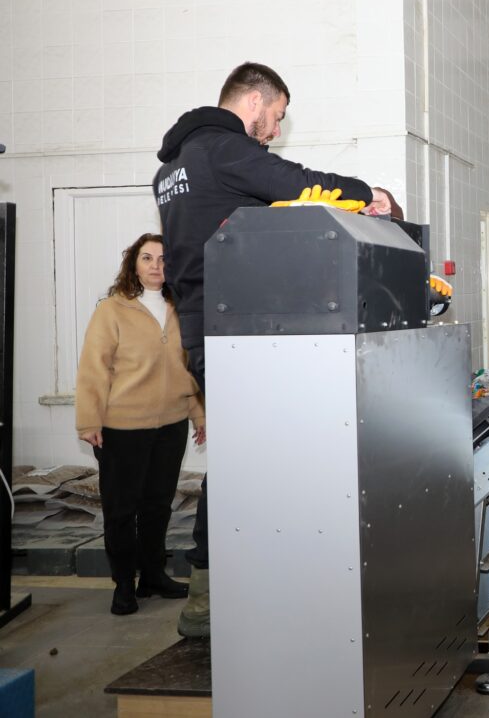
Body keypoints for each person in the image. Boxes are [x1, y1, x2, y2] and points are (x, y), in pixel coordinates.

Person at [153, 62, 401, 637]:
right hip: (236, 326)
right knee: (254, 460)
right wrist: (370, 195)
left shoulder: (171, 168)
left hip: (205, 322)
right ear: (255, 101)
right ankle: (219, 593)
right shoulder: (221, 148)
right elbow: (299, 184)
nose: (275, 130)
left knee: (246, 456)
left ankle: (225, 588)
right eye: (277, 116)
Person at [76, 234, 205, 616]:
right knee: (121, 511)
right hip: (122, 428)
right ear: (133, 264)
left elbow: (187, 368)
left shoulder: (180, 308)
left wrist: (198, 414)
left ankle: (153, 576)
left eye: (163, 259)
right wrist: (89, 420)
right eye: (147, 258)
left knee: (157, 507)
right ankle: (123, 585)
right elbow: (94, 369)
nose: (155, 266)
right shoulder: (112, 310)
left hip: (171, 425)